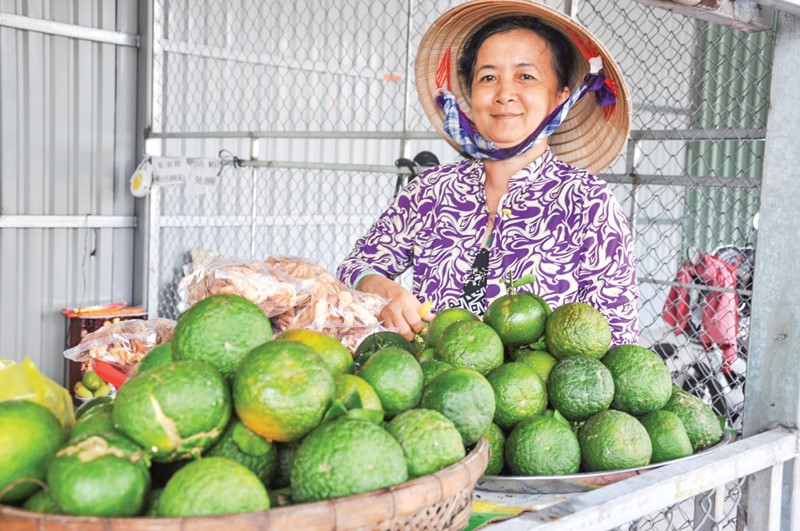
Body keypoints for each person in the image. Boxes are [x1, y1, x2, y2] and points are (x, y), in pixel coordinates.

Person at [337, 0, 639, 347]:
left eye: (525, 76)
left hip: (532, 397)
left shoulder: (587, 203)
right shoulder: (430, 191)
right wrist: (382, 288)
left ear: (560, 97)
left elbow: (618, 339)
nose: (504, 94)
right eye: (488, 77)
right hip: (435, 389)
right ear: (470, 93)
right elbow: (354, 266)